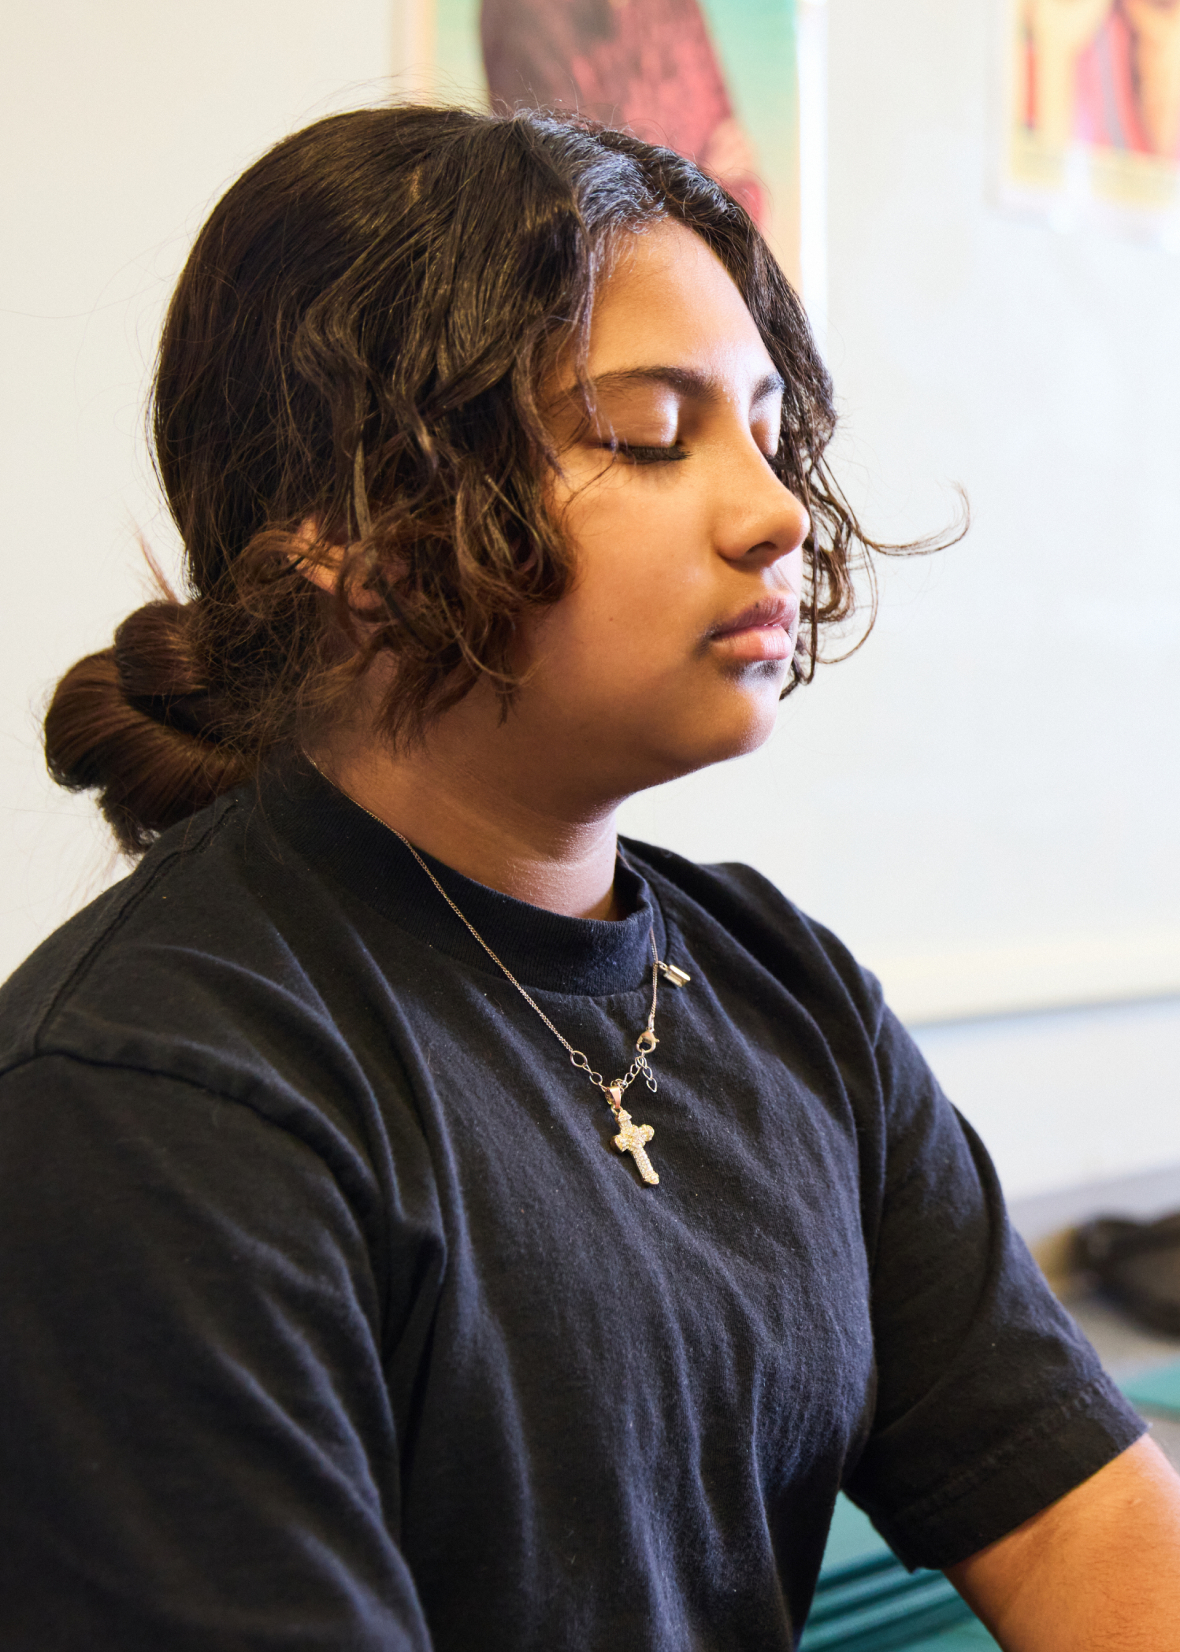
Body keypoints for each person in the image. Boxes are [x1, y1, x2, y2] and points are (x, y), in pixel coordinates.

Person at [1, 104, 1178, 1651]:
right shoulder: (155, 1099)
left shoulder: (783, 987)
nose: (772, 515)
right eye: (649, 433)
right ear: (358, 533)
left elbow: (1084, 1517)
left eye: (767, 427)